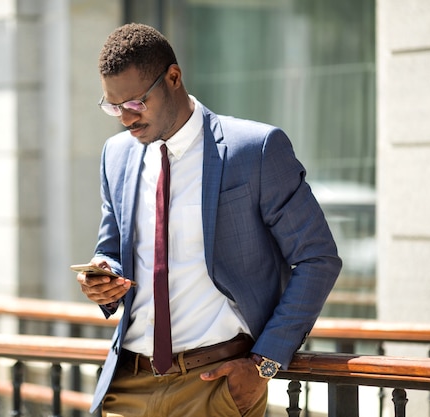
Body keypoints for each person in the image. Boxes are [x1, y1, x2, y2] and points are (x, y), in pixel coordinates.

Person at [76, 23, 342, 417]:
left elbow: (318, 258)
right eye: (113, 107)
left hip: (216, 388)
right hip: (127, 385)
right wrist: (104, 276)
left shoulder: (254, 151)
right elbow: (112, 249)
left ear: (174, 78)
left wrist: (263, 364)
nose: (125, 119)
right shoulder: (116, 156)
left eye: (134, 104)